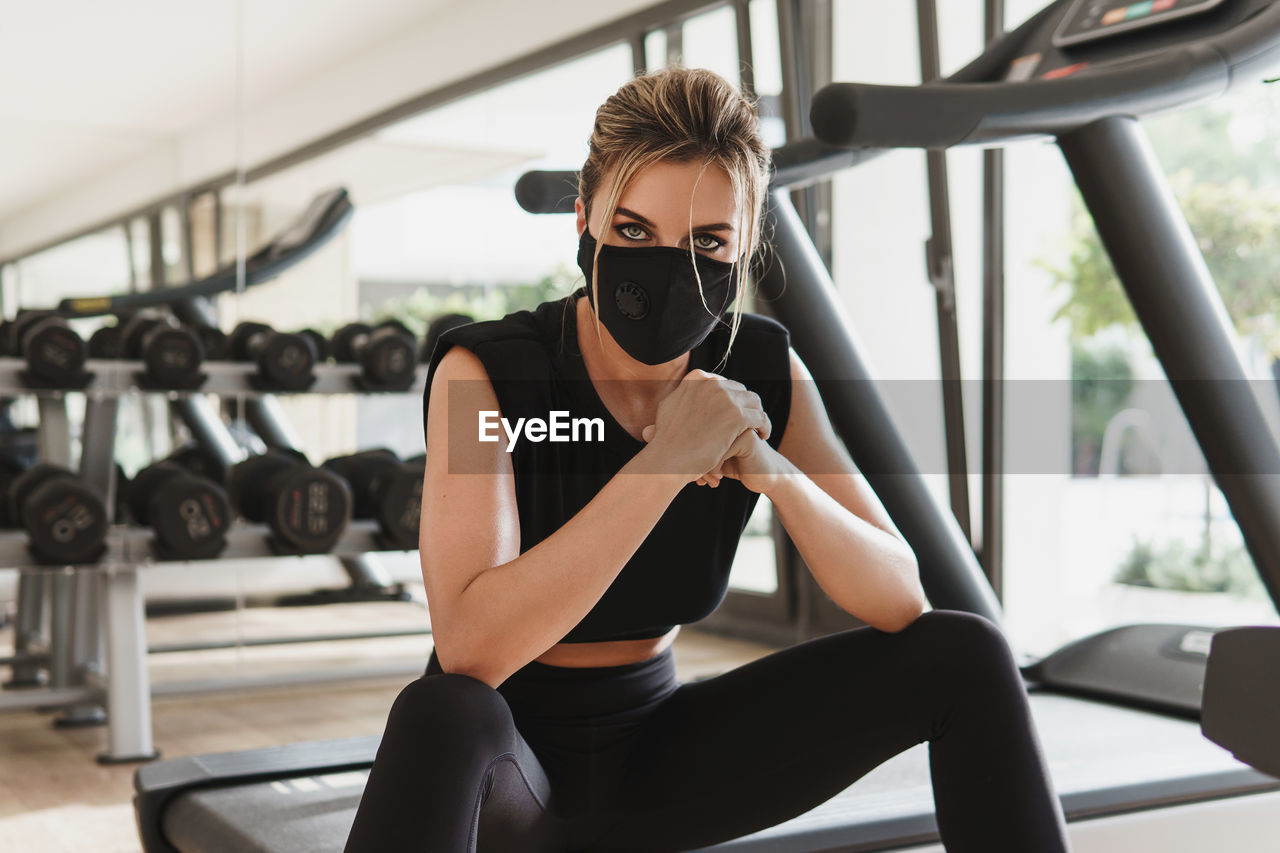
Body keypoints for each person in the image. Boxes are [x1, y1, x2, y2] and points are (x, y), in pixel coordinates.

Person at [344, 66, 1072, 853]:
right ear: (584, 220)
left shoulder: (760, 368)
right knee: (446, 710)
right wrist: (665, 463)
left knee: (966, 653)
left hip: (666, 760)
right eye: (633, 232)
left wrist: (770, 470)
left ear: (745, 245)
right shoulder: (487, 374)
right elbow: (470, 648)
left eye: (707, 242)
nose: (668, 271)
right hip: (512, 783)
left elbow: (900, 598)